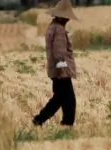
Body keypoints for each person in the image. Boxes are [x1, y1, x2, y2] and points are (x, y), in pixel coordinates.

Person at [32, 0, 79, 128]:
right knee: (68, 100)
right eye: (66, 17)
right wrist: (62, 69)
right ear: (61, 16)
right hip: (60, 71)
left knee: (59, 99)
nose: (68, 20)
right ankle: (65, 124)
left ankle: (40, 120)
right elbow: (58, 51)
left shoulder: (52, 27)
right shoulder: (58, 30)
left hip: (56, 70)